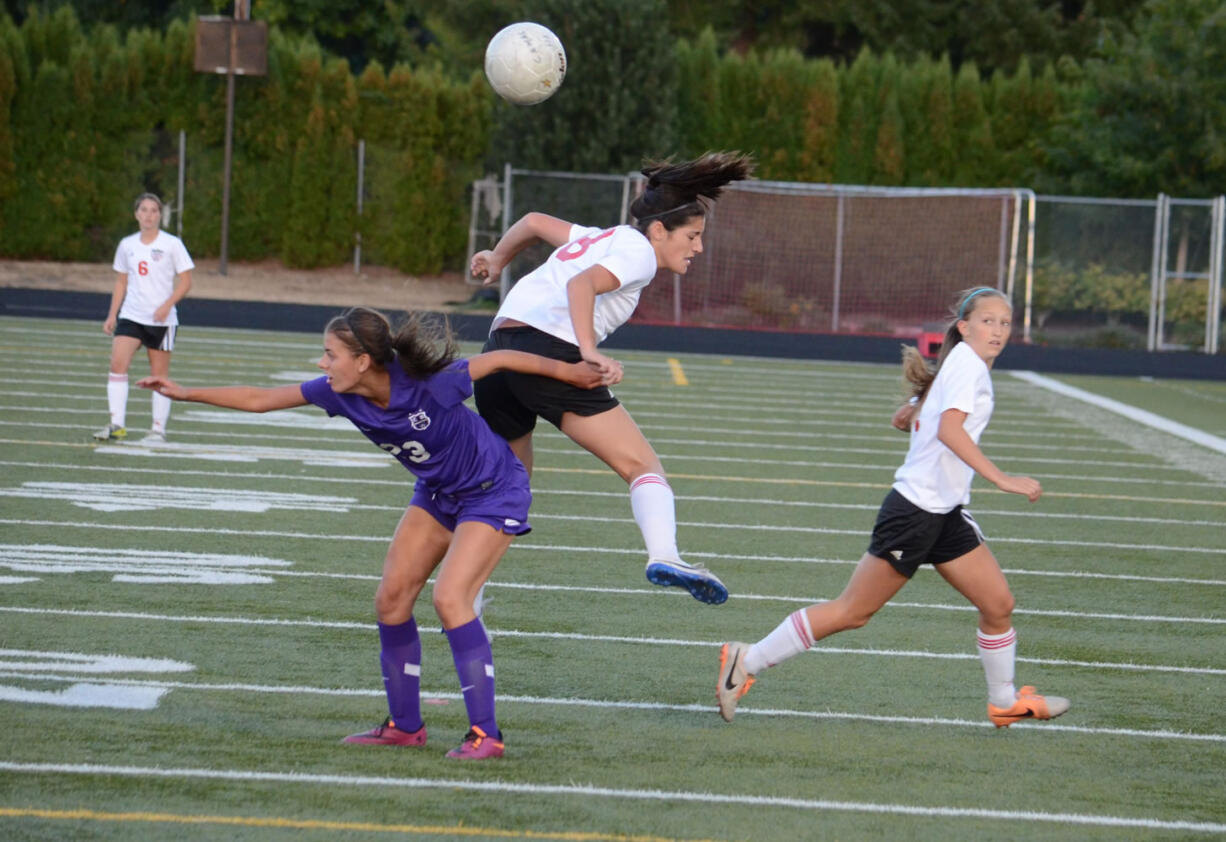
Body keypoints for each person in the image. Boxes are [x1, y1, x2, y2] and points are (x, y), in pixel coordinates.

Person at [139, 306, 614, 759]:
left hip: (493, 490)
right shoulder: (338, 391)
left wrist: (571, 374)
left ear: (363, 361)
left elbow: (502, 358)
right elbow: (262, 399)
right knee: (390, 600)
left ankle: (486, 735)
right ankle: (405, 727)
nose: (322, 363)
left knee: (450, 599)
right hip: (437, 492)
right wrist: (184, 392)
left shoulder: (432, 384)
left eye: (330, 354)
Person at [716, 286, 1070, 728]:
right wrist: (1003, 479)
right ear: (964, 326)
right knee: (853, 611)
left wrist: (913, 408)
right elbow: (950, 432)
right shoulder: (968, 368)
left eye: (1004, 322)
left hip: (945, 511)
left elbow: (915, 417)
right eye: (987, 320)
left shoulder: (963, 365)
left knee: (998, 604)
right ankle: (746, 660)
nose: (997, 330)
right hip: (916, 511)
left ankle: (1003, 701)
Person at [469, 152, 754, 606]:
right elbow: (580, 286)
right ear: (659, 230)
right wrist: (588, 351)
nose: (698, 247)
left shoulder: (608, 237)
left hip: (500, 349)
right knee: (643, 466)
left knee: (509, 490)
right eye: (693, 235)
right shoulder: (639, 253)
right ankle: (666, 555)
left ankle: (469, 592)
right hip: (550, 350)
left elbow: (535, 221)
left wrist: (498, 258)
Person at [95, 193, 194, 444]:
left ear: (160, 215)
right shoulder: (127, 244)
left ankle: (158, 429)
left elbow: (186, 282)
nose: (148, 215)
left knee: (159, 375)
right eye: (144, 210)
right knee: (117, 364)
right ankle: (117, 424)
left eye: (153, 211)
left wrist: (166, 305)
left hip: (162, 321)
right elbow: (121, 281)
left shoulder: (172, 244)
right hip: (131, 315)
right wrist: (112, 314)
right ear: (136, 214)